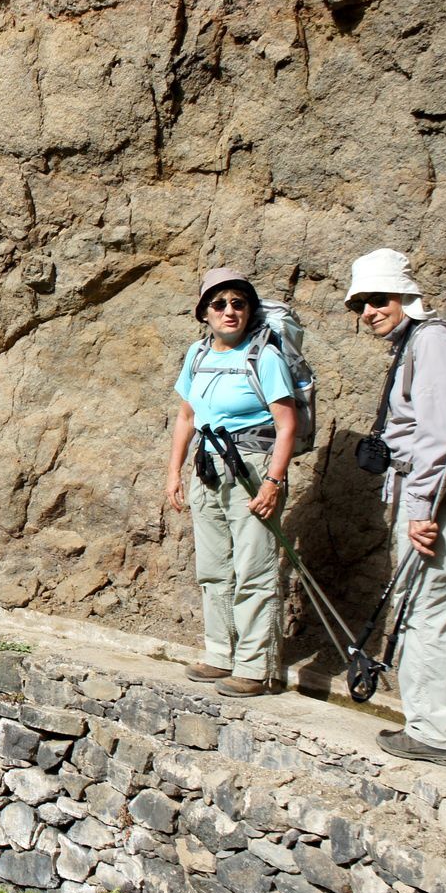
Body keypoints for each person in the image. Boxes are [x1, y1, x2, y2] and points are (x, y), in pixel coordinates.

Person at [346, 248, 446, 766]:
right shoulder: (425, 341)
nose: (369, 311)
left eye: (378, 298)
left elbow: (440, 436)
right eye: (360, 303)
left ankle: (435, 733)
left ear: (405, 295)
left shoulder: (431, 343)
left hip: (441, 498)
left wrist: (420, 508)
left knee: (425, 610)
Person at [165, 268, 297, 697]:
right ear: (203, 312)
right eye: (219, 303)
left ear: (250, 311)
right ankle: (220, 654)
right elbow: (187, 416)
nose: (229, 311)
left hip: (252, 468)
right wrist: (174, 472)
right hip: (207, 466)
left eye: (239, 303)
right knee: (213, 567)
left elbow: (287, 424)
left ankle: (254, 667)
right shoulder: (197, 355)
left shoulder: (266, 357)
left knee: (254, 568)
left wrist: (273, 481)